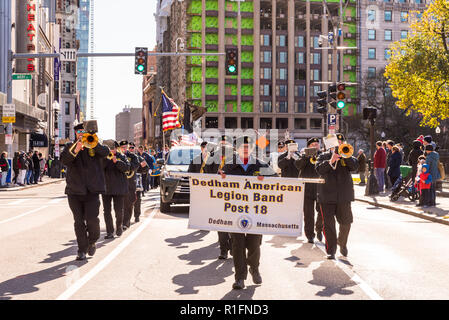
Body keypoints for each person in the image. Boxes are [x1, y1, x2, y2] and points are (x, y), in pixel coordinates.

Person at [220, 136, 277, 290]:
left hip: (256, 213)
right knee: (237, 246)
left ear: (252, 149)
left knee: (254, 245)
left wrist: (265, 179)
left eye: (248, 147)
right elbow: (218, 185)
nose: (245, 149)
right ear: (236, 149)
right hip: (235, 212)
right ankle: (239, 277)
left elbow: (277, 182)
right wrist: (222, 178)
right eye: (242, 147)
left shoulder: (261, 164)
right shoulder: (229, 166)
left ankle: (254, 268)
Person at [60, 122, 109, 261]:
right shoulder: (70, 147)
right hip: (74, 191)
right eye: (79, 133)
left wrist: (94, 141)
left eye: (84, 132)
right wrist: (76, 150)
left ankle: (92, 241)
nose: (81, 135)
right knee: (79, 222)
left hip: (92, 191)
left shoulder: (94, 145)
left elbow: (106, 153)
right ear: (76, 134)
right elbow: (64, 161)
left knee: (93, 220)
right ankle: (81, 249)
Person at [315, 133, 358, 260]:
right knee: (328, 224)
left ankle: (342, 242)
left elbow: (355, 166)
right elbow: (319, 170)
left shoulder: (348, 154)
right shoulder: (323, 156)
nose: (338, 144)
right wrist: (331, 160)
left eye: (340, 142)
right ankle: (331, 250)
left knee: (346, 222)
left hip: (344, 196)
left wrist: (345, 156)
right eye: (335, 142)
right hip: (326, 196)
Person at [207, 136, 234, 260]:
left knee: (233, 224)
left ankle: (233, 246)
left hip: (234, 196)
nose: (223, 145)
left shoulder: (235, 157)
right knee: (221, 224)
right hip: (218, 195)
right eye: (221, 143)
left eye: (225, 143)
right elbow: (207, 173)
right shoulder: (213, 156)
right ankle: (223, 250)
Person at [294, 137, 324, 243]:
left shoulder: (323, 155)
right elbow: (297, 166)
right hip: (307, 188)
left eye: (317, 144)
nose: (315, 146)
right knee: (308, 214)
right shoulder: (303, 155)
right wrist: (306, 156)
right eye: (313, 145)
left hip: (320, 188)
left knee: (322, 211)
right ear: (308, 146)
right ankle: (310, 235)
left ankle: (319, 228)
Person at [102, 141, 130, 239]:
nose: (112, 150)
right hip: (106, 188)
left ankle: (119, 227)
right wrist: (106, 159)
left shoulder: (121, 156)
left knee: (118, 210)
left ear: (116, 148)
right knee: (107, 211)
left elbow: (127, 168)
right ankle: (109, 232)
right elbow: (99, 167)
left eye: (113, 148)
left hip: (119, 188)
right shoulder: (103, 157)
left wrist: (116, 162)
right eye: (110, 148)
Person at [121, 141, 140, 230]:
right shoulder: (117, 155)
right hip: (120, 182)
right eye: (122, 147)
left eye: (125, 147)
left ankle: (126, 221)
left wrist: (124, 165)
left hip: (130, 182)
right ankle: (123, 222)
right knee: (121, 204)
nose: (124, 149)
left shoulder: (133, 156)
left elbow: (135, 166)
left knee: (129, 203)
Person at [133, 143, 148, 223]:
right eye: (130, 148)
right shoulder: (122, 157)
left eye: (132, 148)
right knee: (126, 202)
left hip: (137, 182)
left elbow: (146, 169)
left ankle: (137, 216)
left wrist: (144, 166)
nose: (131, 149)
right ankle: (126, 220)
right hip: (126, 183)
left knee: (137, 200)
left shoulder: (139, 158)